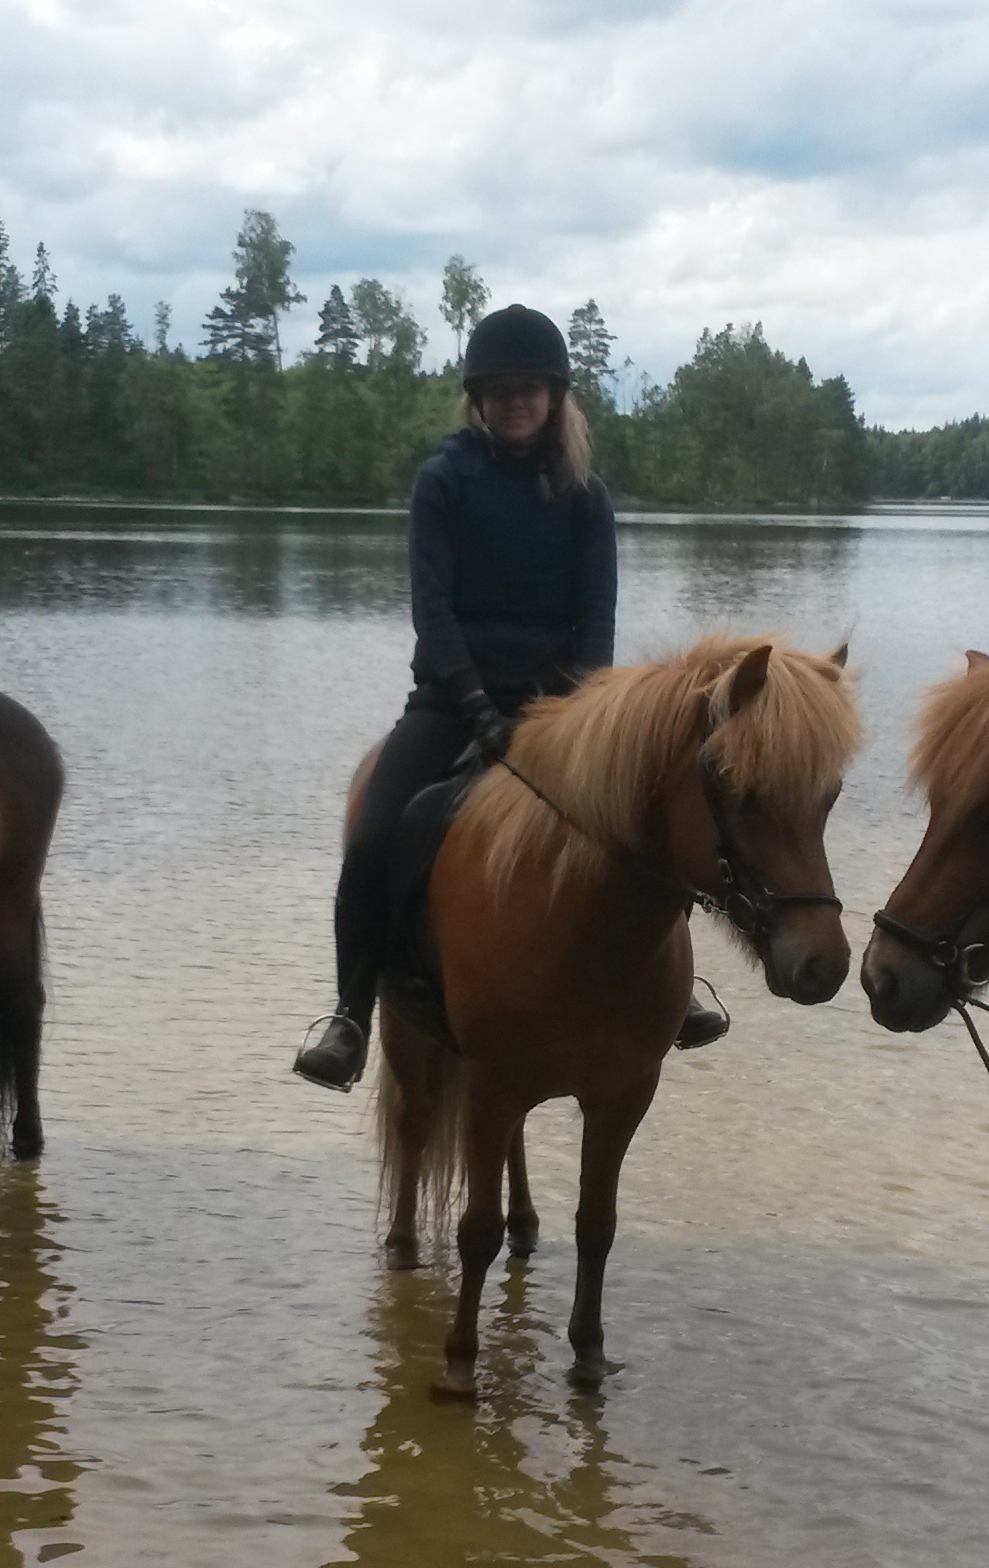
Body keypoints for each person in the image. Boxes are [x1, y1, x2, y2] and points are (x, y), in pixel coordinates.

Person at [290, 304, 725, 1091]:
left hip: (561, 710)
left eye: (529, 389)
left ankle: (674, 990)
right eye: (500, 389)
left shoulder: (585, 497)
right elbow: (435, 612)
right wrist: (477, 708)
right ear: (479, 398)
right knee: (373, 841)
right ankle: (352, 1015)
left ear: (554, 397)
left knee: (661, 818)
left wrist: (578, 715)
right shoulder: (444, 482)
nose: (515, 402)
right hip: (451, 703)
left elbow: (596, 620)